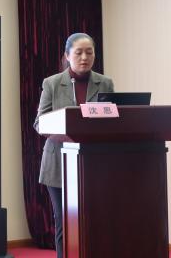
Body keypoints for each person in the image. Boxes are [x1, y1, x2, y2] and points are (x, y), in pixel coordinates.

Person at [33, 33, 114, 258]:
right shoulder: (52, 83)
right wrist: (70, 135)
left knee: (94, 219)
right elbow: (40, 123)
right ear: (67, 56)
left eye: (89, 52)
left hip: (93, 163)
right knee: (64, 221)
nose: (84, 57)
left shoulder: (105, 83)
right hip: (58, 163)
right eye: (78, 53)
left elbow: (112, 119)